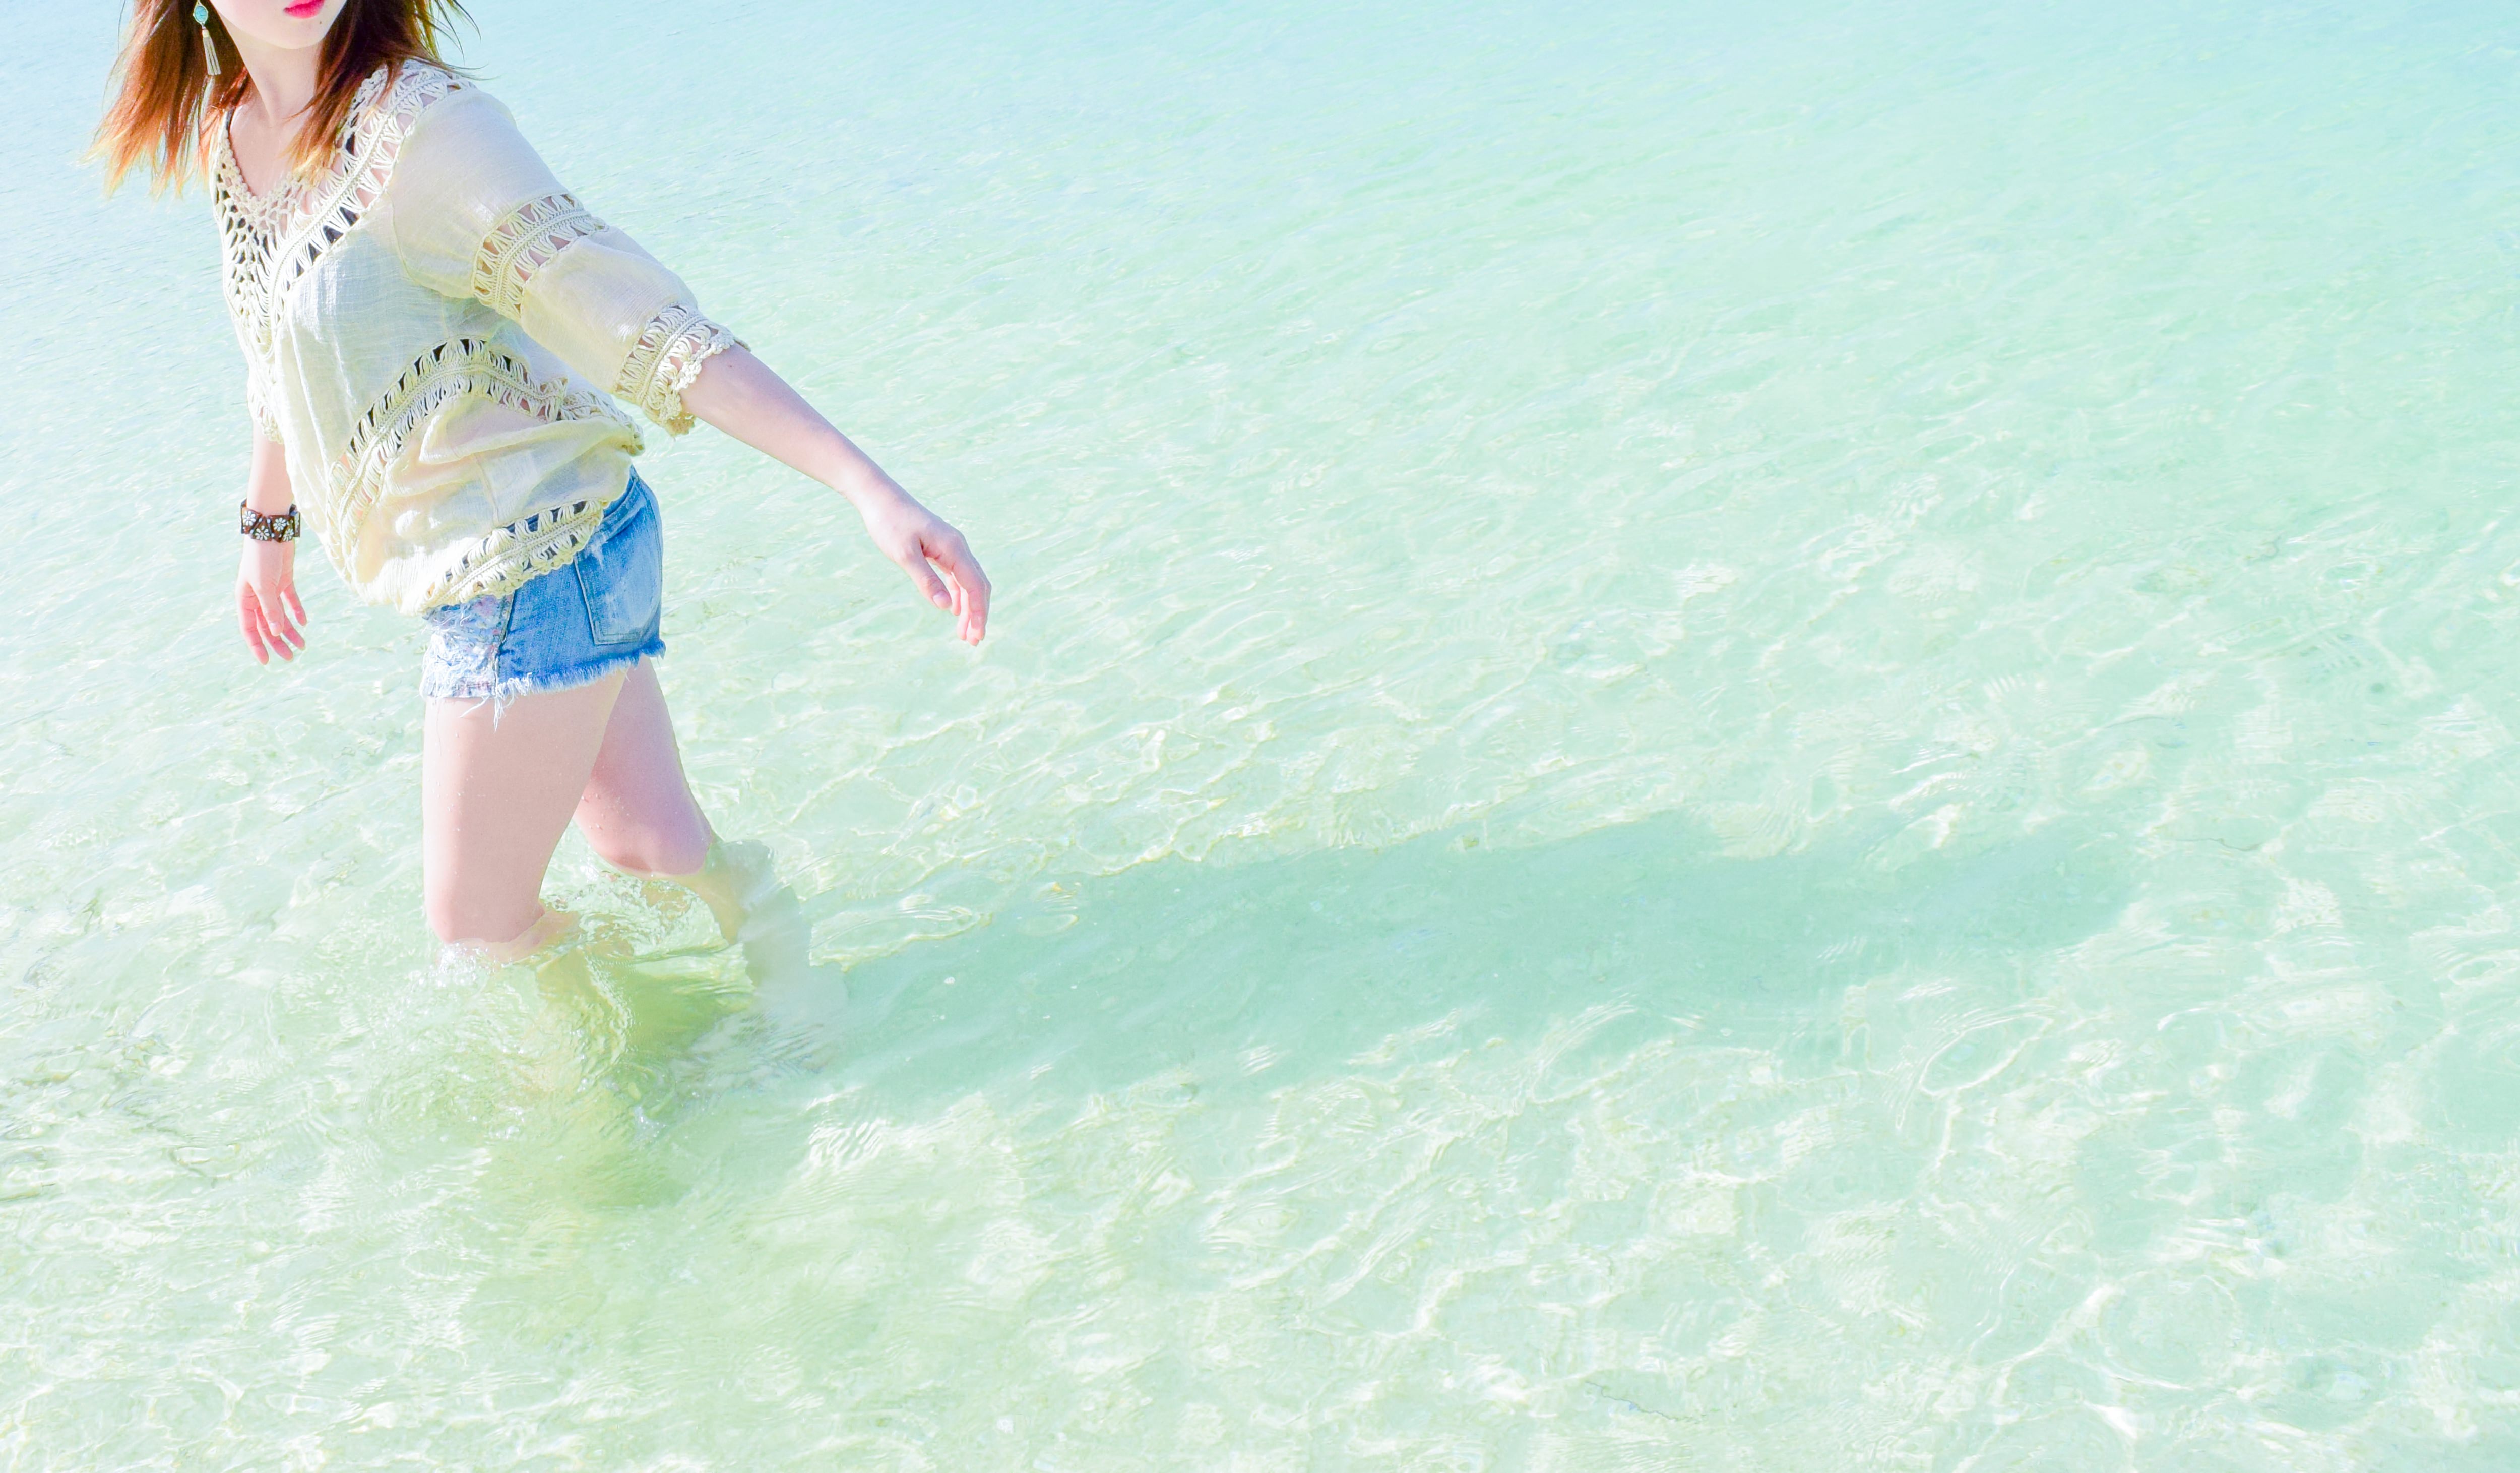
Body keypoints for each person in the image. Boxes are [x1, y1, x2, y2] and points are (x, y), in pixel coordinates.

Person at [93, 0, 990, 960]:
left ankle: (629, 1098)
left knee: (476, 925)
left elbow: (638, 323)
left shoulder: (420, 131)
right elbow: (276, 346)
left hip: (531, 568)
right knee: (650, 845)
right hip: (562, 540)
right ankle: (766, 929)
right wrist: (267, 528)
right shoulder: (236, 141)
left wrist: (867, 487)